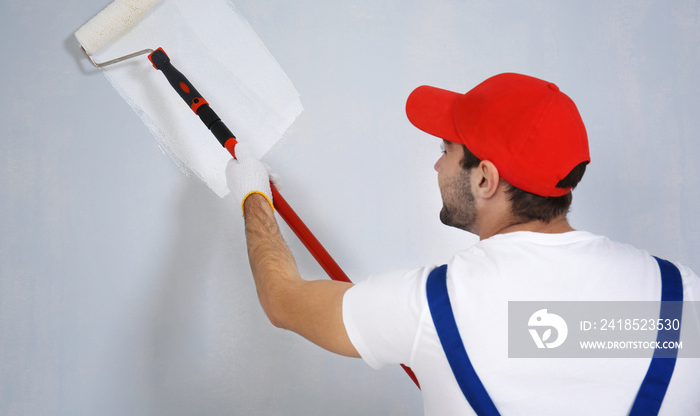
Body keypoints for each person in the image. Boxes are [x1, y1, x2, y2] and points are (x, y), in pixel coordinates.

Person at [226, 73, 700, 415]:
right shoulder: (683, 293)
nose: (437, 168)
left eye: (445, 152)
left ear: (485, 179)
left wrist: (253, 196)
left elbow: (282, 301)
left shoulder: (430, 308)